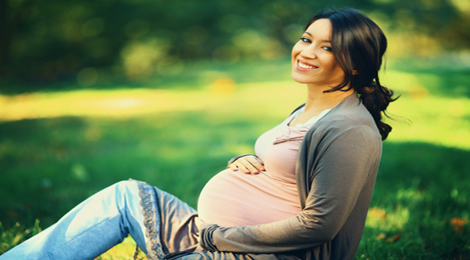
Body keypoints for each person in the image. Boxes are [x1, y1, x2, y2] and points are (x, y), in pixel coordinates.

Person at [0, 8, 396, 260]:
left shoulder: (349, 128)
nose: (306, 51)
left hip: (250, 254)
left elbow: (320, 226)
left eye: (326, 47)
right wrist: (251, 162)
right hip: (218, 240)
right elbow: (292, 170)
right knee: (124, 195)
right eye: (306, 39)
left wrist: (216, 237)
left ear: (356, 64)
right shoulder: (315, 108)